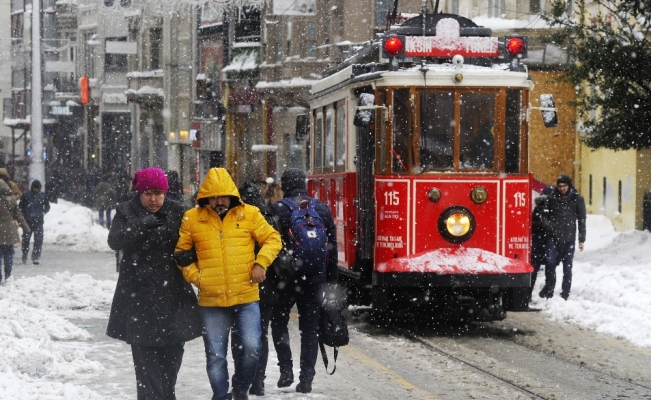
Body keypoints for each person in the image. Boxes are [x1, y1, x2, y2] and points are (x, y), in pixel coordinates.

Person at [175, 167, 281, 400]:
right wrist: (198, 278)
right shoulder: (192, 219)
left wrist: (261, 264)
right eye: (214, 196)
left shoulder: (250, 214)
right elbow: (181, 254)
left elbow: (273, 239)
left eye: (223, 196)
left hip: (246, 296)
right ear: (206, 197)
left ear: (232, 195)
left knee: (253, 349)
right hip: (211, 301)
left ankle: (241, 388)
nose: (219, 201)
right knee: (215, 355)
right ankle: (221, 395)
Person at [106, 167, 203, 400]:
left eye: (158, 193)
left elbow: (194, 243)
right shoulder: (127, 210)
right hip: (138, 298)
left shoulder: (178, 210)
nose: (153, 199)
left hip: (173, 296)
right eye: (148, 193)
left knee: (171, 364)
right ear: (139, 192)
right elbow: (115, 240)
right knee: (146, 367)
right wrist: (141, 225)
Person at [269, 168, 338, 394]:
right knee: (310, 328)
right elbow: (331, 247)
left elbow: (272, 245)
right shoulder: (321, 209)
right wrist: (331, 278)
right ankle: (306, 378)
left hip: (286, 278)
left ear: (284, 186)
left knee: (279, 322)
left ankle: (286, 369)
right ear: (305, 184)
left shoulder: (277, 209)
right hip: (315, 276)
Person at [237, 180, 281, 396]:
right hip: (269, 287)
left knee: (243, 337)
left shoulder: (240, 220)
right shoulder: (271, 219)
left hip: (246, 287)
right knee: (260, 335)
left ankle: (245, 378)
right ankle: (258, 381)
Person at [539, 175, 586, 301]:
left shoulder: (577, 199)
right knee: (550, 263)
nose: (562, 189)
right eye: (559, 186)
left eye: (564, 186)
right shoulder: (552, 198)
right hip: (553, 237)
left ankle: (565, 293)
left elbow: (582, 219)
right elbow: (544, 216)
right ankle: (549, 288)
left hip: (569, 238)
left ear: (569, 186)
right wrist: (550, 228)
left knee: (567, 267)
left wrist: (581, 239)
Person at [0, 180, 30, 284]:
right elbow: (19, 215)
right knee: (8, 253)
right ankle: (8, 275)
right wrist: (26, 228)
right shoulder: (11, 199)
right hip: (9, 230)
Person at [530, 186, 553, 303]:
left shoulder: (553, 209)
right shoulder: (539, 209)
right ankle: (529, 293)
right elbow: (531, 224)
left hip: (547, 243)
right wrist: (539, 224)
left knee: (549, 269)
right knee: (535, 269)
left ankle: (548, 293)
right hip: (539, 243)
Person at [19, 180, 50, 265]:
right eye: (35, 188)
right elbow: (20, 206)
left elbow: (47, 206)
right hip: (28, 221)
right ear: (32, 188)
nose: (36, 190)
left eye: (37, 188)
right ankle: (24, 254)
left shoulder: (43, 196)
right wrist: (24, 215)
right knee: (26, 240)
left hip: (39, 222)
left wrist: (43, 212)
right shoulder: (26, 195)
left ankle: (36, 257)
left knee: (38, 240)